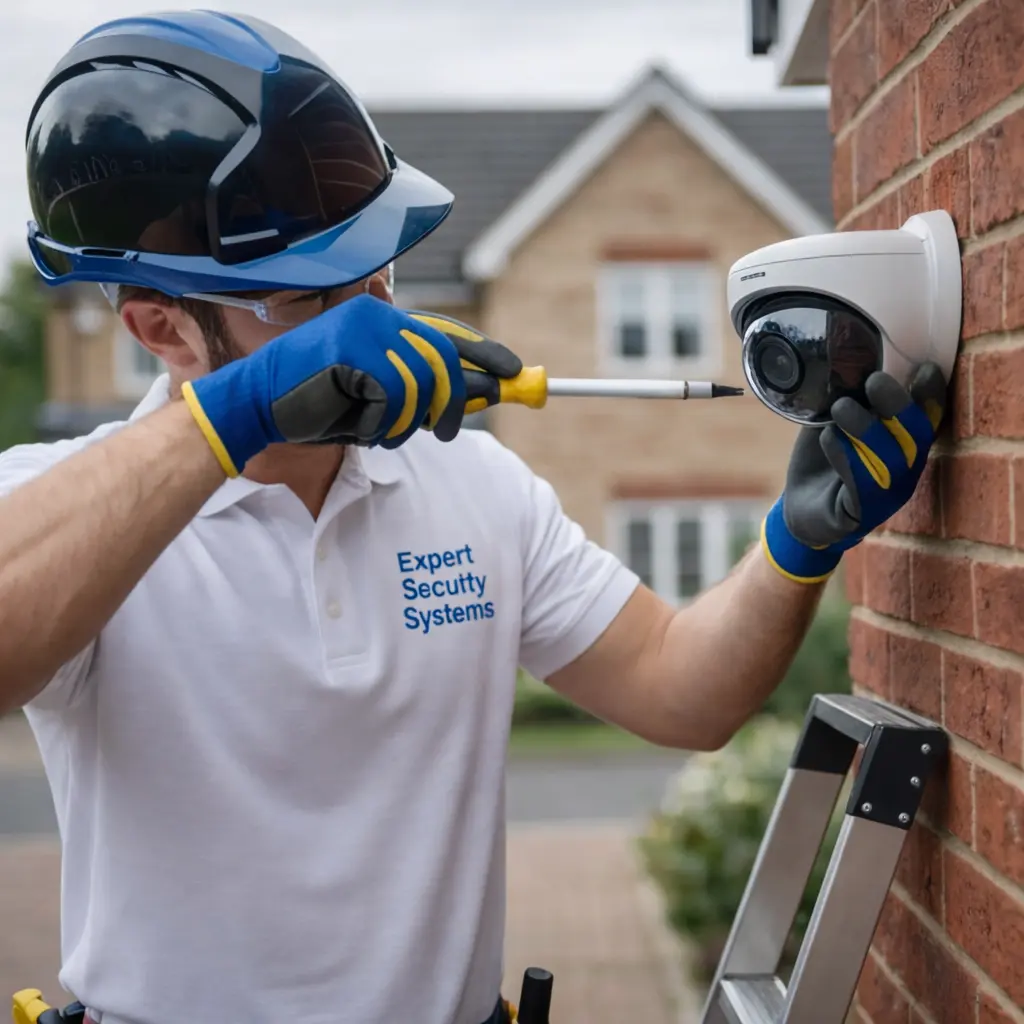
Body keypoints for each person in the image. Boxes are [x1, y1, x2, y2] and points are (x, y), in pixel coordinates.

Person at [3, 10, 948, 1024]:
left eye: (378, 271)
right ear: (162, 329)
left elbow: (681, 689)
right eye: (311, 299)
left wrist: (794, 546)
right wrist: (237, 415)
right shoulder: (68, 509)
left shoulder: (473, 484)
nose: (373, 314)